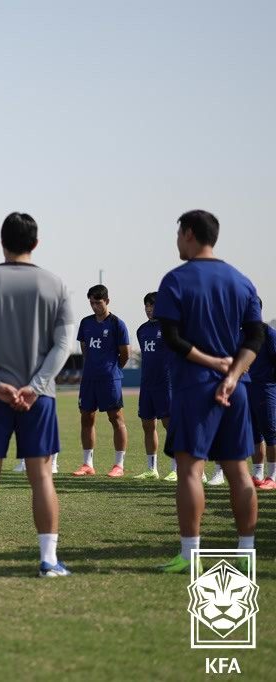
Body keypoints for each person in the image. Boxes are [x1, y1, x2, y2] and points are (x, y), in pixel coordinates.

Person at [0, 212, 76, 578]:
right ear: (35, 243)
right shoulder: (55, 284)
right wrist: (36, 386)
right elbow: (64, 344)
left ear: (1, 241)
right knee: (42, 478)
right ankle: (48, 560)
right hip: (40, 399)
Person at [155, 210, 262, 574]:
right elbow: (255, 337)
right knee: (239, 471)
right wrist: (233, 373)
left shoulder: (176, 280)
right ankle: (246, 552)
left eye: (178, 235)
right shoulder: (241, 281)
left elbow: (171, 337)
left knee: (189, 470)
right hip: (236, 390)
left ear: (188, 234)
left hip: (194, 387)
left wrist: (213, 364)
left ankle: (189, 555)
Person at [73, 285, 130, 477]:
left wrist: (112, 369)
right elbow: (84, 347)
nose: (94, 306)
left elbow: (125, 354)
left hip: (109, 379)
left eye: (98, 302)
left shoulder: (117, 324)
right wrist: (93, 365)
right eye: (91, 302)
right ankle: (87, 464)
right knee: (86, 417)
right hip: (89, 378)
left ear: (107, 301)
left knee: (116, 419)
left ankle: (118, 465)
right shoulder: (86, 323)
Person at [134, 292, 172, 480]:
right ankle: (152, 469)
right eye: (146, 306)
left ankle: (176, 468)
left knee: (170, 425)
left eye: (153, 306)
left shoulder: (171, 328)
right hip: (147, 384)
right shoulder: (141, 330)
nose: (149, 310)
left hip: (166, 384)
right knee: (147, 425)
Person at [246, 311, 276, 490]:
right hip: (246, 388)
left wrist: (269, 382)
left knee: (270, 432)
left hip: (265, 388)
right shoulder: (240, 333)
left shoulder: (268, 333)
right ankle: (257, 473)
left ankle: (273, 475)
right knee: (254, 434)